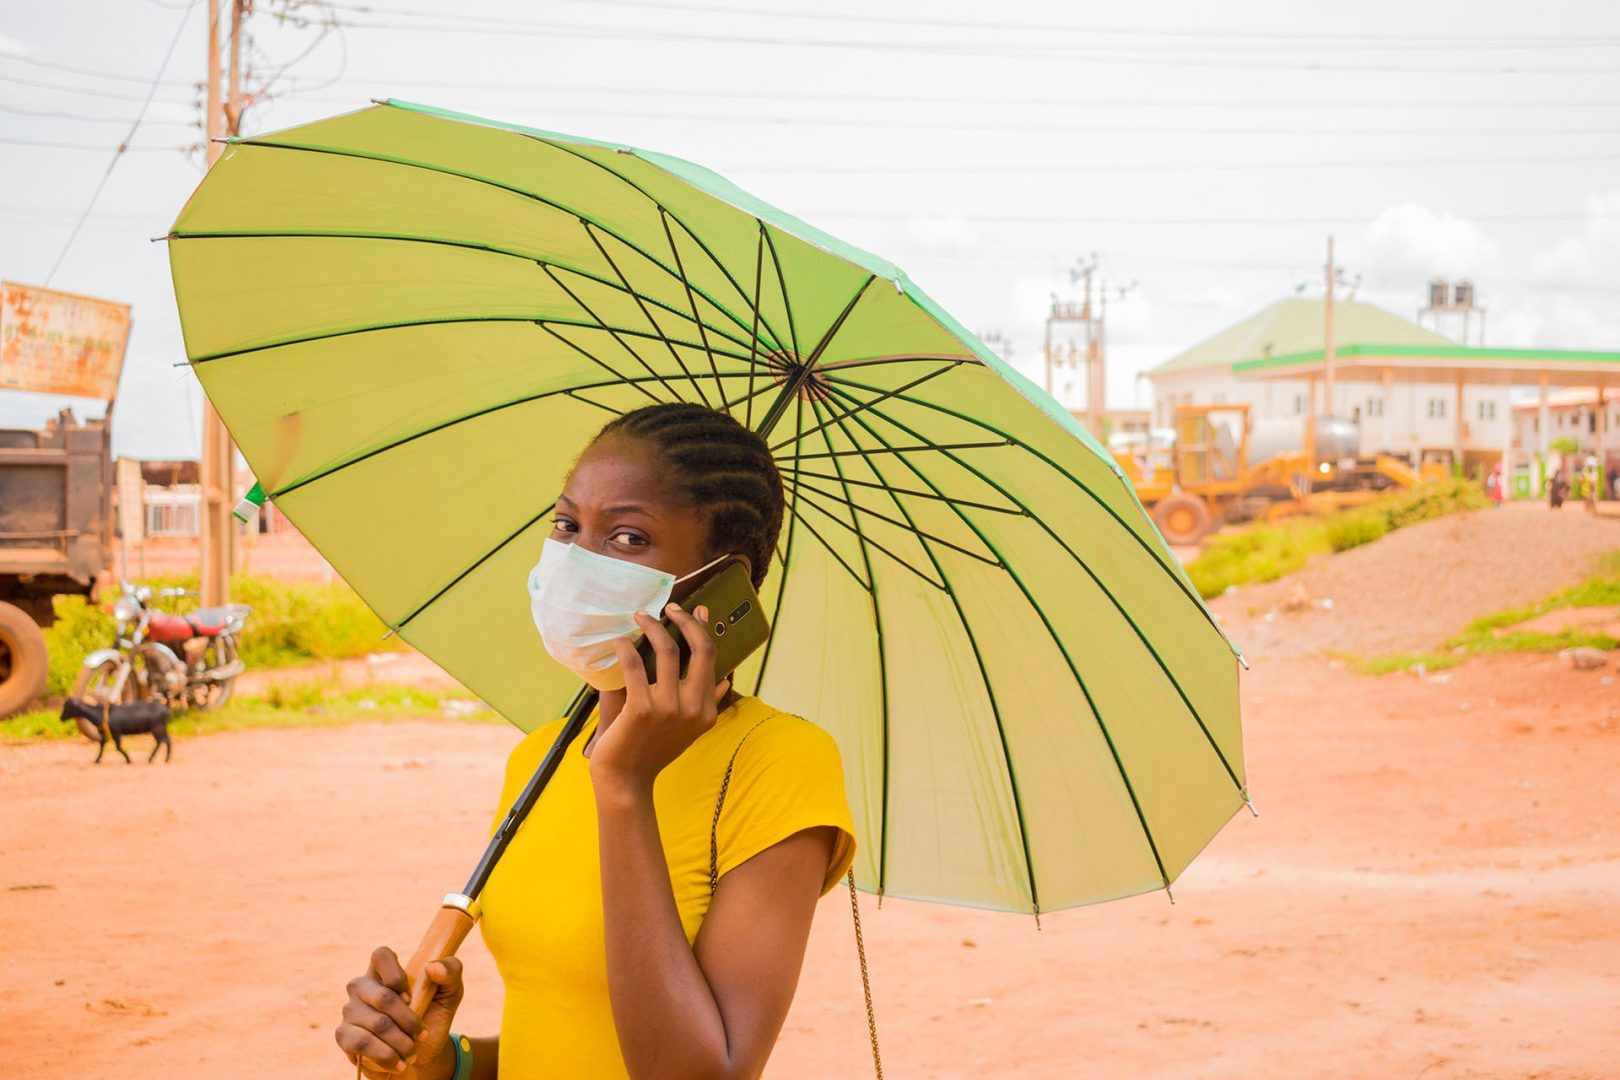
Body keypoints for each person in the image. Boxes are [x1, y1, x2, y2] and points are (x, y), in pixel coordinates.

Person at [335, 402, 857, 1080]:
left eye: (628, 538)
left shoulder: (777, 763)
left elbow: (702, 1075)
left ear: (718, 582)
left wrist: (624, 787)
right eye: (566, 525)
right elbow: (562, 1039)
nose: (576, 561)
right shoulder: (540, 754)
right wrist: (441, 1062)